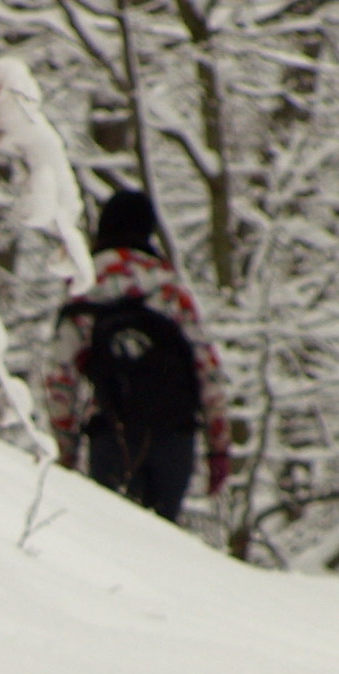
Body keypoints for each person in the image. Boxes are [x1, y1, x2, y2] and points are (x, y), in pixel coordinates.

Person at [42, 191, 230, 523]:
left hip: (112, 434)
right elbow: (208, 371)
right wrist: (219, 448)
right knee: (159, 545)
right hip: (174, 438)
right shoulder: (171, 290)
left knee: (113, 539)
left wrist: (65, 449)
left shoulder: (85, 287)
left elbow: (60, 376)